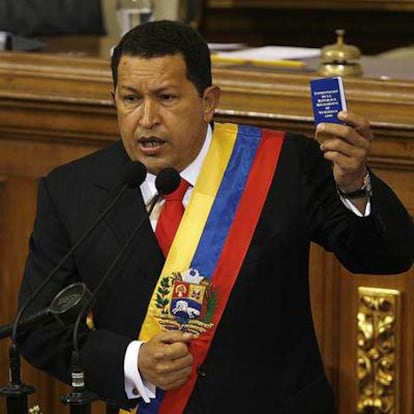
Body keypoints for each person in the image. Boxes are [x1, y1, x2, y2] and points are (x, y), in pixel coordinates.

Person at [17, 20, 414, 414]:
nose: (147, 118)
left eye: (167, 97)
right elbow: (38, 328)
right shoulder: (73, 190)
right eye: (130, 98)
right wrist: (131, 360)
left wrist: (354, 183)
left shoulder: (281, 166)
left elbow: (387, 256)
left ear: (208, 101)